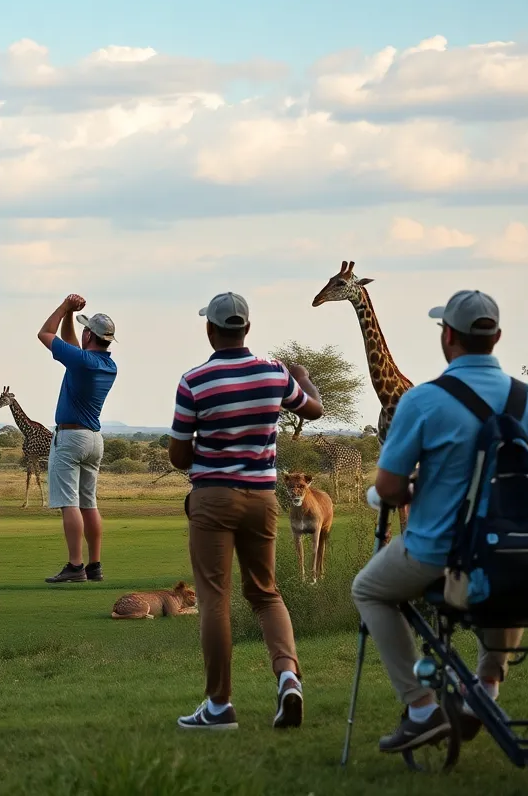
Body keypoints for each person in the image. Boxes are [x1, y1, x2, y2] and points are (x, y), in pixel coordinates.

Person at [352, 290, 528, 753]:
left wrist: (412, 489)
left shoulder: (423, 402)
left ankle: (421, 708)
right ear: (497, 337)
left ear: (447, 336)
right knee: (511, 571)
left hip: (438, 553)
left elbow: (387, 489)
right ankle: (485, 685)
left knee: (368, 590)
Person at [167, 292, 324, 730]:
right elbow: (313, 408)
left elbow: (179, 457)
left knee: (215, 598)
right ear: (248, 329)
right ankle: (288, 676)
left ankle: (219, 706)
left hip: (213, 498)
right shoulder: (275, 374)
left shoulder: (194, 381)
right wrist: (303, 376)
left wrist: (209, 446)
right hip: (261, 500)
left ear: (210, 330)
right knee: (266, 593)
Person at [37, 294, 118, 584]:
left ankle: (75, 566)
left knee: (69, 503)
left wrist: (62, 307)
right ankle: (94, 566)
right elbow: (72, 346)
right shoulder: (106, 365)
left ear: (89, 335)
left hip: (71, 438)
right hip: (94, 439)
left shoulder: (82, 360)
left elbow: (44, 333)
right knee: (89, 503)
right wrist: (71, 316)